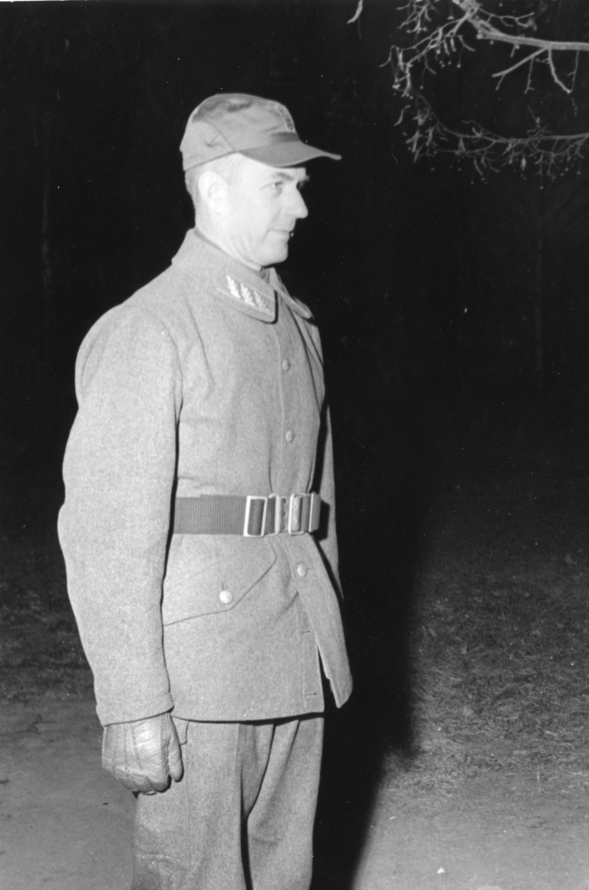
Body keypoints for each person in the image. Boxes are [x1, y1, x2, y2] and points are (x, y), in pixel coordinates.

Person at [58, 93, 352, 889]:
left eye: (299, 186)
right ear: (215, 187)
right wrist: (133, 703)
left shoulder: (295, 326)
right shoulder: (151, 328)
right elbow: (108, 535)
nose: (300, 205)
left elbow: (313, 504)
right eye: (278, 185)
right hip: (201, 675)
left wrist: (327, 639)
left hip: (294, 648)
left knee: (286, 875)